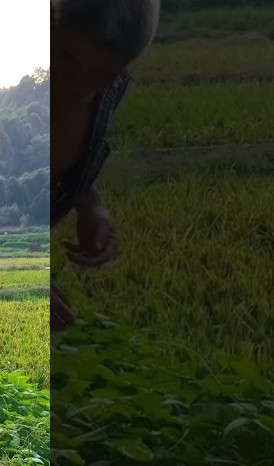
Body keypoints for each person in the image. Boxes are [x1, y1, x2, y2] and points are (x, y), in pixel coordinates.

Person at [53, 0, 160, 333]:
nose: (78, 85)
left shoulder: (108, 92)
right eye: (67, 60)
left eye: (101, 75)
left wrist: (91, 207)